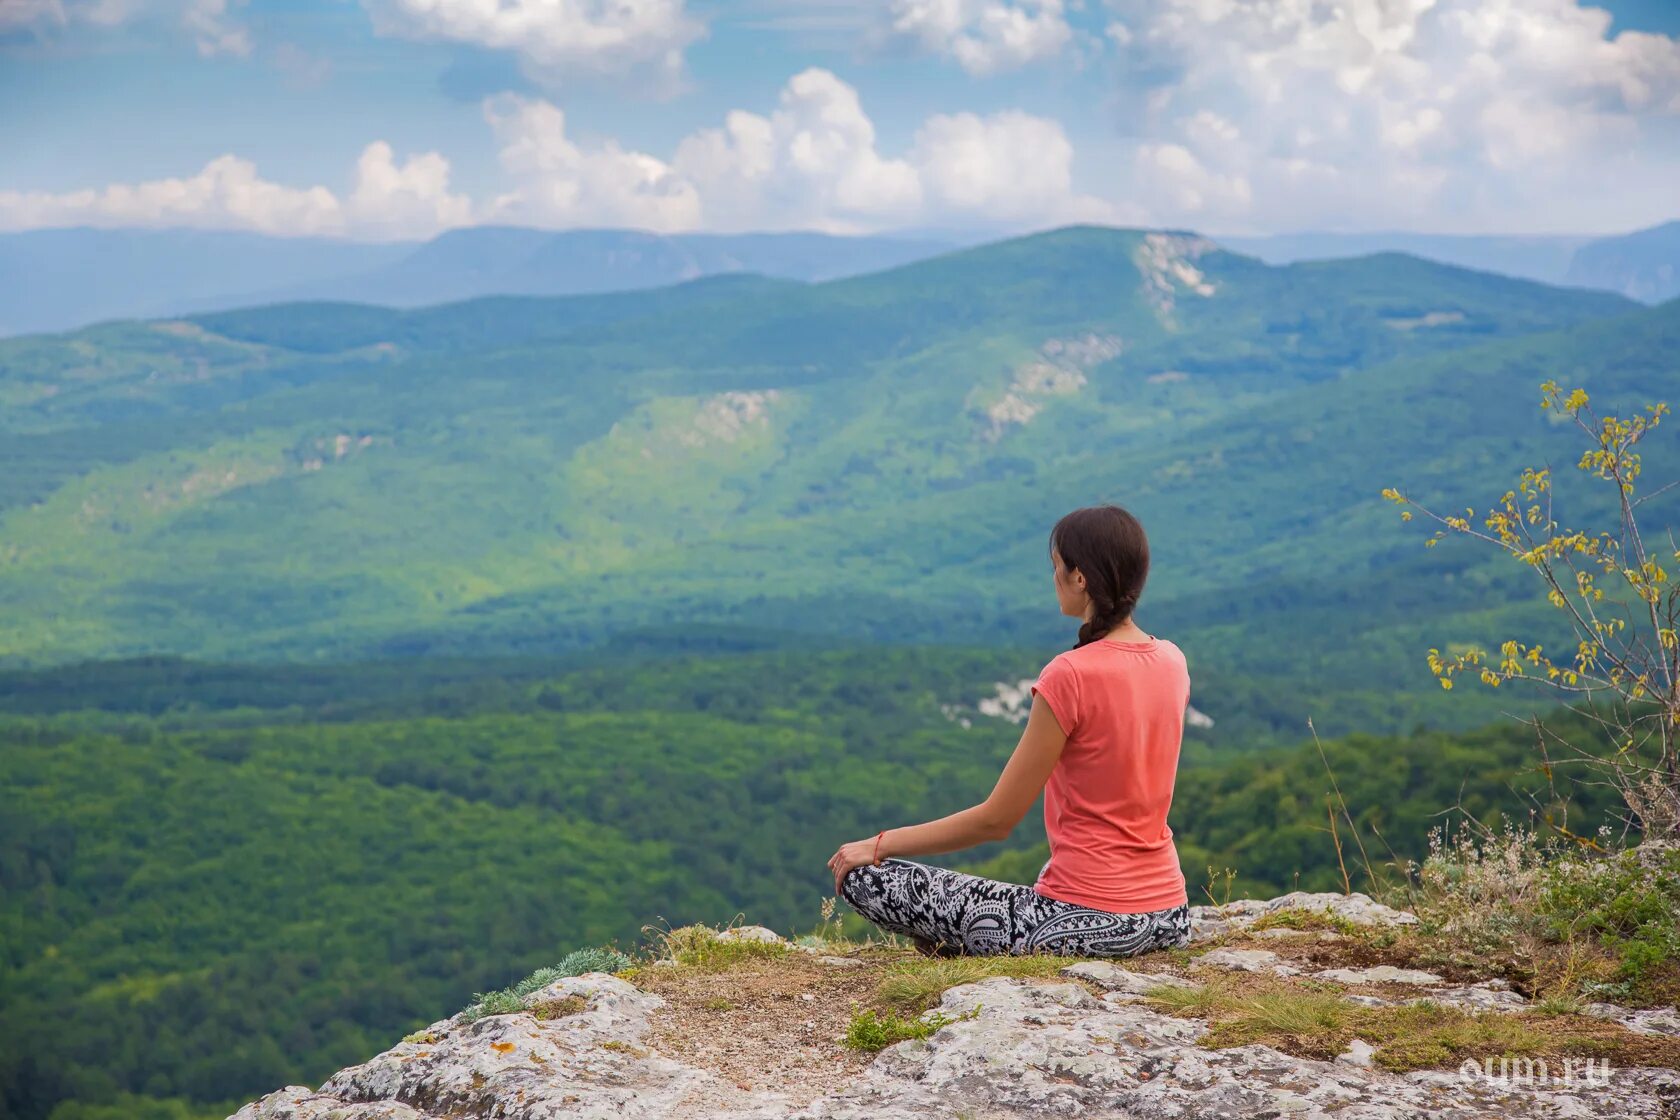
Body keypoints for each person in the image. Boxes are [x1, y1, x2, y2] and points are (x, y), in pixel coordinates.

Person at [829, 504, 1193, 957]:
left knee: (866, 879)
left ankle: (972, 949)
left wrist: (878, 844)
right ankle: (972, 948)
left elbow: (996, 820)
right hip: (1170, 916)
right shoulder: (1172, 662)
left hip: (1089, 923)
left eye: (1057, 567)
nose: (1054, 577)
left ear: (1080, 578)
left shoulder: (1070, 675)